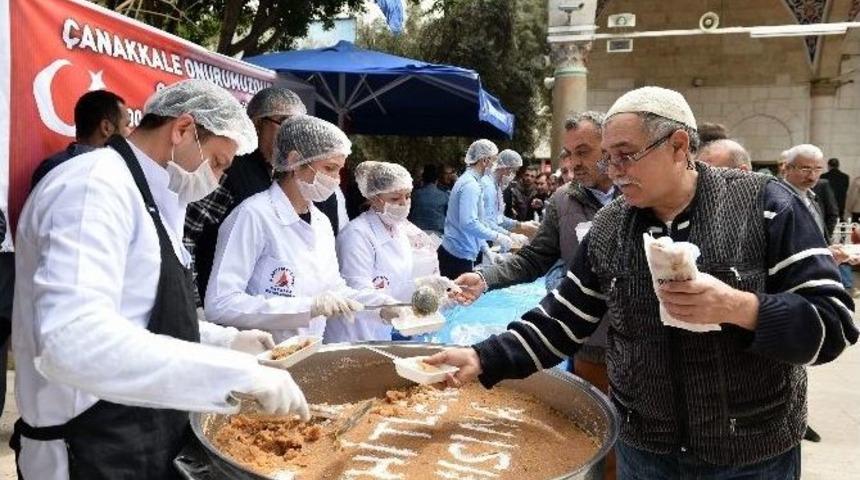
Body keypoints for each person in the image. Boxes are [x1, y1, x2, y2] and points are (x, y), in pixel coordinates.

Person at [431, 86, 857, 479]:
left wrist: (740, 307)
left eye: (625, 155)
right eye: (608, 158)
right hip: (647, 452)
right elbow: (563, 318)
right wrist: (482, 358)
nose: (614, 171)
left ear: (678, 146)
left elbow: (833, 323)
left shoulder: (765, 206)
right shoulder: (611, 226)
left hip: (750, 450)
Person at [11, 79, 310, 480]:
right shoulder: (92, 189)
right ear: (183, 130)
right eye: (219, 162)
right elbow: (73, 342)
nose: (218, 179)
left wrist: (226, 341)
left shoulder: (157, 200)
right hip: (85, 449)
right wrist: (237, 374)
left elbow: (141, 315)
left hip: (141, 436)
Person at [456, 109, 616, 392]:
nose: (574, 163)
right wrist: (485, 278)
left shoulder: (639, 195)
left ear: (610, 145)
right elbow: (534, 258)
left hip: (644, 340)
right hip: (589, 338)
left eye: (583, 152)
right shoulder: (563, 201)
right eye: (569, 154)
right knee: (595, 414)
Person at [205, 115, 395, 342]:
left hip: (308, 353)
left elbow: (335, 291)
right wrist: (307, 307)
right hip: (262, 355)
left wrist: (379, 306)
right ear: (296, 161)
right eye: (329, 168)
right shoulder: (253, 215)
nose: (334, 180)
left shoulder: (321, 223)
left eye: (338, 171)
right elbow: (221, 303)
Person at [183, 86, 308, 303]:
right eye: (284, 123)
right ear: (256, 123)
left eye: (298, 128)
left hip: (258, 310)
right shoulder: (228, 168)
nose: (292, 135)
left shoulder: (279, 176)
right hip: (215, 305)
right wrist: (192, 302)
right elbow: (187, 236)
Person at [328, 161, 443, 342]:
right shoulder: (356, 235)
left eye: (407, 196)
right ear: (374, 198)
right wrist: (387, 308)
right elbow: (355, 291)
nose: (404, 204)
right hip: (353, 333)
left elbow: (395, 283)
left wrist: (422, 286)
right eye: (395, 199)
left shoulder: (398, 230)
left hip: (381, 330)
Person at [438, 139, 512, 278]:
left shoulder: (471, 182)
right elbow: (469, 223)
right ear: (484, 160)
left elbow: (476, 222)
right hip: (456, 256)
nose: (495, 165)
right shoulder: (470, 185)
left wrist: (485, 249)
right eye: (494, 160)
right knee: (458, 298)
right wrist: (497, 236)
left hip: (460, 253)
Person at [30, 89, 132, 189]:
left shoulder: (51, 167)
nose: (131, 132)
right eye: (127, 125)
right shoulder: (54, 169)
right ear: (106, 128)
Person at [780, 144, 837, 240]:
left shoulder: (812, 196)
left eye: (818, 169)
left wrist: (825, 248)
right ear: (788, 168)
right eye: (805, 169)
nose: (812, 176)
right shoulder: (776, 197)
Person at [480, 149, 537, 241]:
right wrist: (510, 235)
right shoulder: (488, 186)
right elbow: (487, 222)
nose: (513, 175)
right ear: (505, 168)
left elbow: (498, 218)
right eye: (513, 171)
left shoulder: (496, 186)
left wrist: (520, 224)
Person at [409, 164, 450, 234]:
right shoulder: (445, 196)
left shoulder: (414, 195)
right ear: (437, 180)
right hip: (438, 233)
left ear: (423, 178)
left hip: (417, 233)